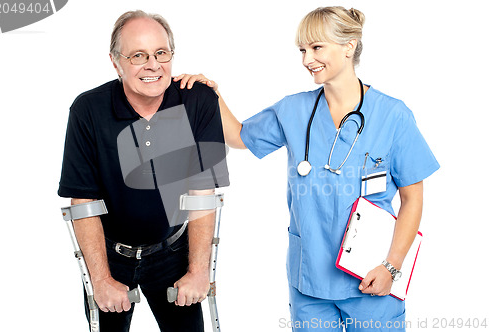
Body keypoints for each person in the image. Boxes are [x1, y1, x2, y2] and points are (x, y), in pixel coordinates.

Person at [177, 6, 439, 331]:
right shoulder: (294, 110)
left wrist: (392, 266)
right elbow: (241, 136)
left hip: (373, 277)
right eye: (302, 50)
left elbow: (413, 198)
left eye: (316, 48)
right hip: (310, 282)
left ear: (349, 46)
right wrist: (211, 94)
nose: (306, 59)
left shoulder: (393, 116)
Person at [58, 10, 228, 332]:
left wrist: (198, 271)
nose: (153, 65)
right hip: (110, 253)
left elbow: (203, 193)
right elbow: (83, 202)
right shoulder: (88, 110)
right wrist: (101, 279)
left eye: (161, 53)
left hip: (174, 249)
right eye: (138, 55)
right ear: (115, 62)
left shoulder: (198, 100)